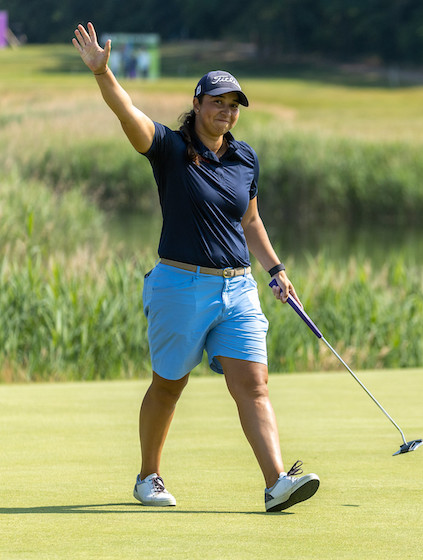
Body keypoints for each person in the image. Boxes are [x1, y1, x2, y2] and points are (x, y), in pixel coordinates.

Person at [72, 22, 320, 513]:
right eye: (218, 103)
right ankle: (149, 477)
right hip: (180, 286)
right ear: (199, 103)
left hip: (238, 289)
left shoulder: (245, 158)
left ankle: (276, 483)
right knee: (169, 384)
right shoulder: (167, 148)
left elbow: (250, 220)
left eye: (234, 106)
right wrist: (103, 74)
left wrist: (275, 269)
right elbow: (127, 114)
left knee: (253, 383)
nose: (226, 112)